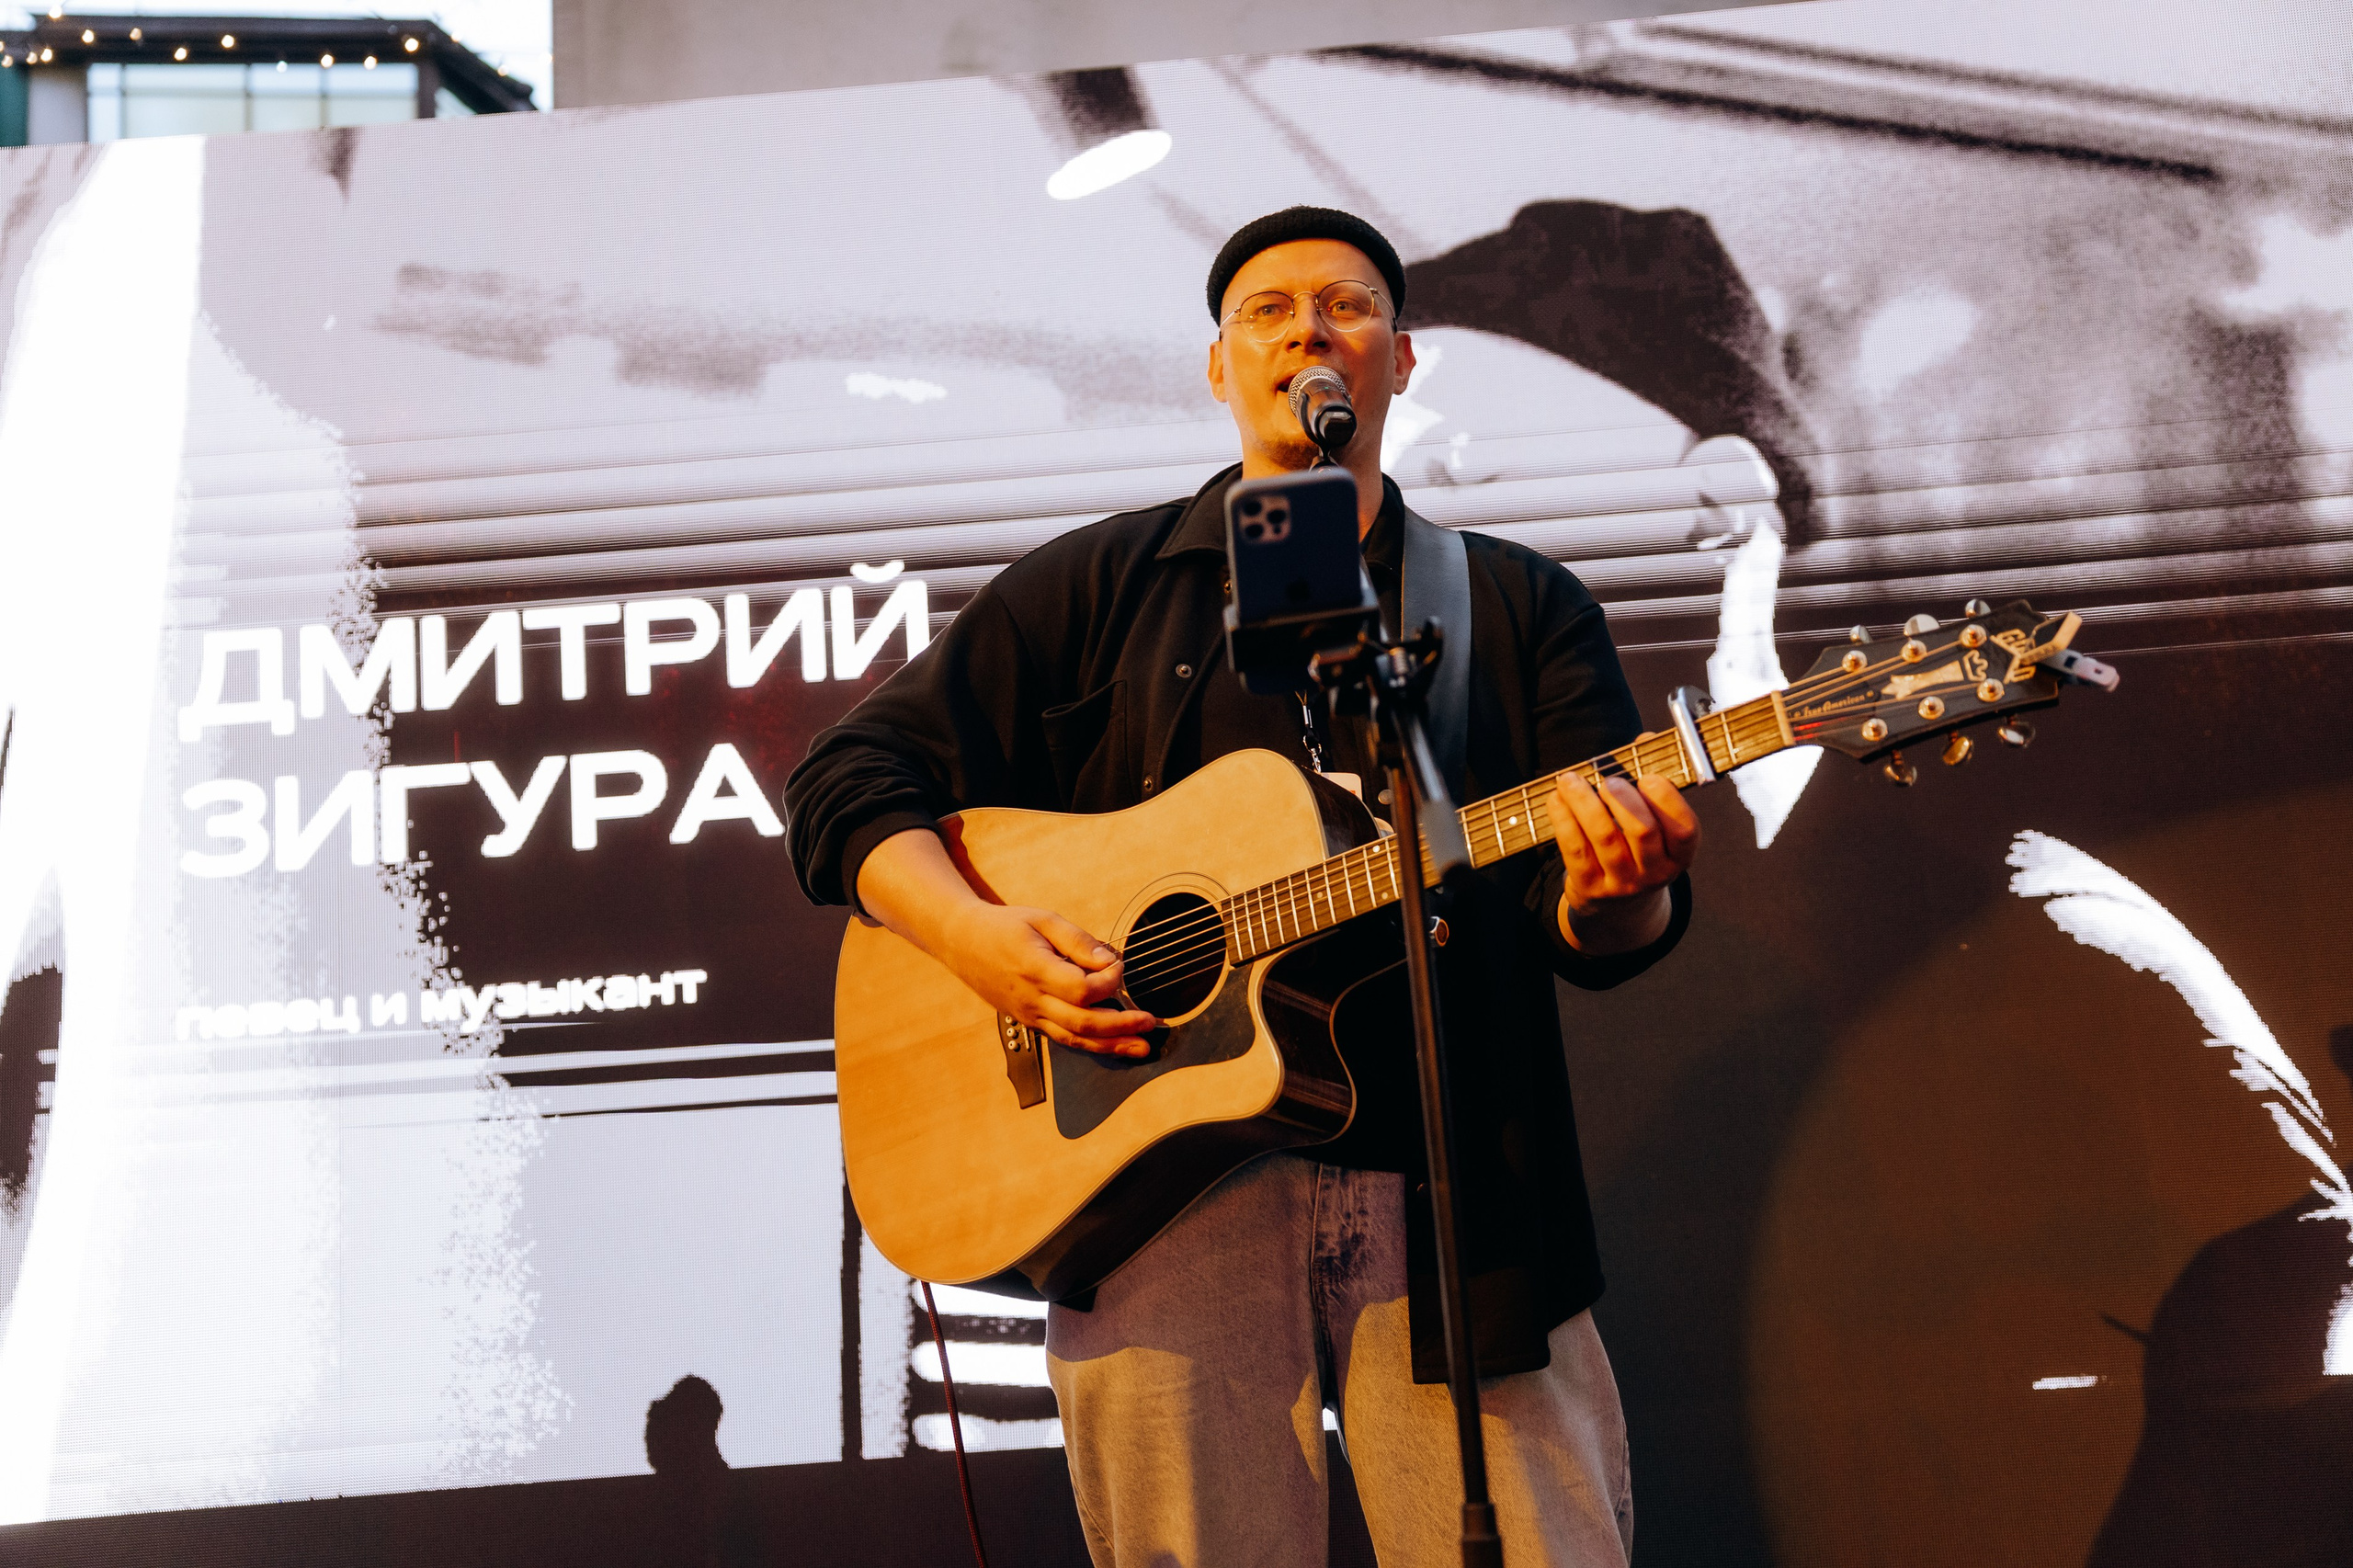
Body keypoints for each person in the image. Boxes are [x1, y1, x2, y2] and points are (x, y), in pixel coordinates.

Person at [786, 206, 1700, 1567]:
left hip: (1458, 1196)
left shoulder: (1514, 604)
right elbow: (849, 782)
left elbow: (1596, 921)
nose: (1309, 332)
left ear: (1402, 360)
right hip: (1164, 1200)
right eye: (1268, 314)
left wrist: (1625, 883)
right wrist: (977, 938)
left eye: (1346, 306)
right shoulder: (1101, 586)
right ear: (1220, 368)